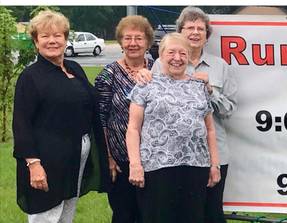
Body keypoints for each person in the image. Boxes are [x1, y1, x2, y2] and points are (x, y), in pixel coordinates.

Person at [13, 10, 106, 222]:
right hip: (46, 159)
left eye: (57, 35)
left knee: (66, 214)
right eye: (45, 36)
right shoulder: (31, 77)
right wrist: (34, 165)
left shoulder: (74, 68)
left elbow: (91, 102)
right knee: (46, 215)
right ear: (36, 42)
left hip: (76, 155)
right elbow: (21, 124)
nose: (52, 41)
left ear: (65, 39)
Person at [150, 7, 237, 222]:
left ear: (207, 36)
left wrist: (210, 91)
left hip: (214, 152)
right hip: (173, 157)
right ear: (181, 32)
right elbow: (150, 108)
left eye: (201, 29)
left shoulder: (220, 66)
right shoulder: (161, 63)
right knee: (180, 212)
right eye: (190, 28)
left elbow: (230, 110)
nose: (195, 33)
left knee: (212, 212)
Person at [127, 33, 221, 223]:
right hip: (156, 168)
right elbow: (133, 129)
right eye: (171, 52)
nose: (177, 58)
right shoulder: (146, 84)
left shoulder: (199, 86)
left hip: (196, 168)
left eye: (183, 53)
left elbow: (210, 129)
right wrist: (135, 165)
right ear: (161, 56)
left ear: (188, 57)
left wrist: (215, 165)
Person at [95, 15, 155, 223]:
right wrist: (108, 157)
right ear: (120, 42)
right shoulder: (108, 74)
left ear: (148, 42)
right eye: (127, 38)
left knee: (151, 214)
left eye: (138, 38)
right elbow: (100, 118)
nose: (133, 44)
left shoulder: (160, 69)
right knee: (124, 214)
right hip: (120, 160)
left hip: (155, 159)